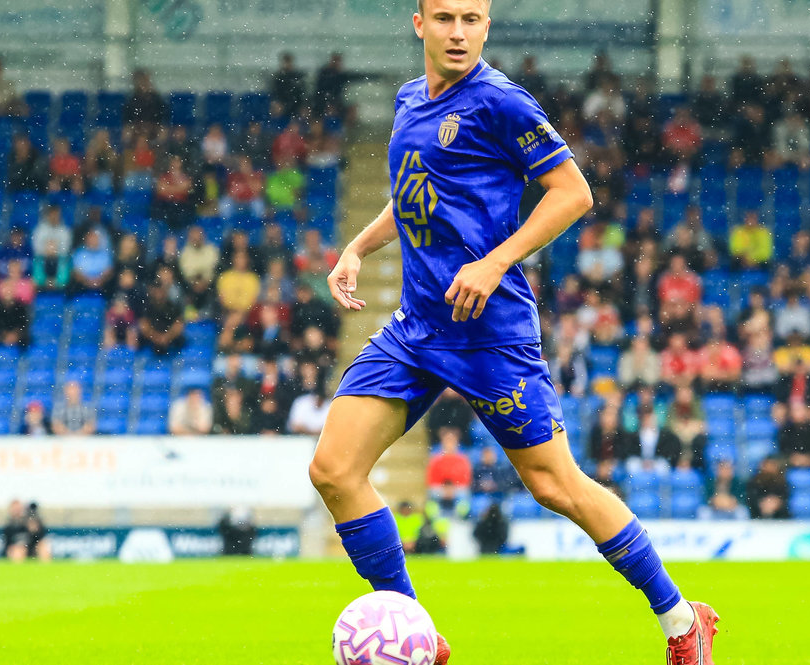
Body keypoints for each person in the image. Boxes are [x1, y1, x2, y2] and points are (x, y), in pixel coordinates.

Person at [307, 4, 717, 663]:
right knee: (333, 469)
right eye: (445, 17)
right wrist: (358, 246)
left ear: (487, 26)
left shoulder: (501, 102)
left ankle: (680, 618)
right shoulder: (410, 100)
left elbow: (573, 192)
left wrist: (495, 262)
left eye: (472, 18)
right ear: (419, 24)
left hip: (489, 331)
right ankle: (417, 632)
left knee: (556, 486)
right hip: (418, 326)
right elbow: (412, 194)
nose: (459, 32)